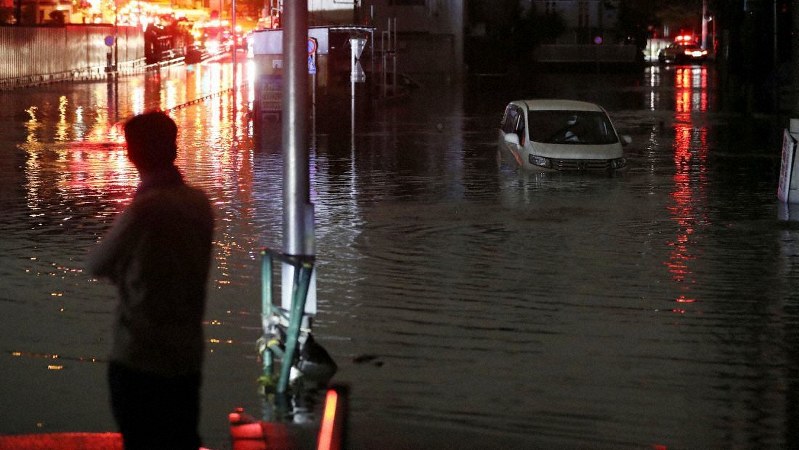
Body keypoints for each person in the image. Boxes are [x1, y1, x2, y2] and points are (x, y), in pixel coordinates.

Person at [87, 110, 214, 450]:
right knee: (181, 439)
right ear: (173, 150)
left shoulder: (143, 211)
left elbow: (97, 264)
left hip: (139, 357)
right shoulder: (200, 205)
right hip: (186, 354)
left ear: (132, 153)